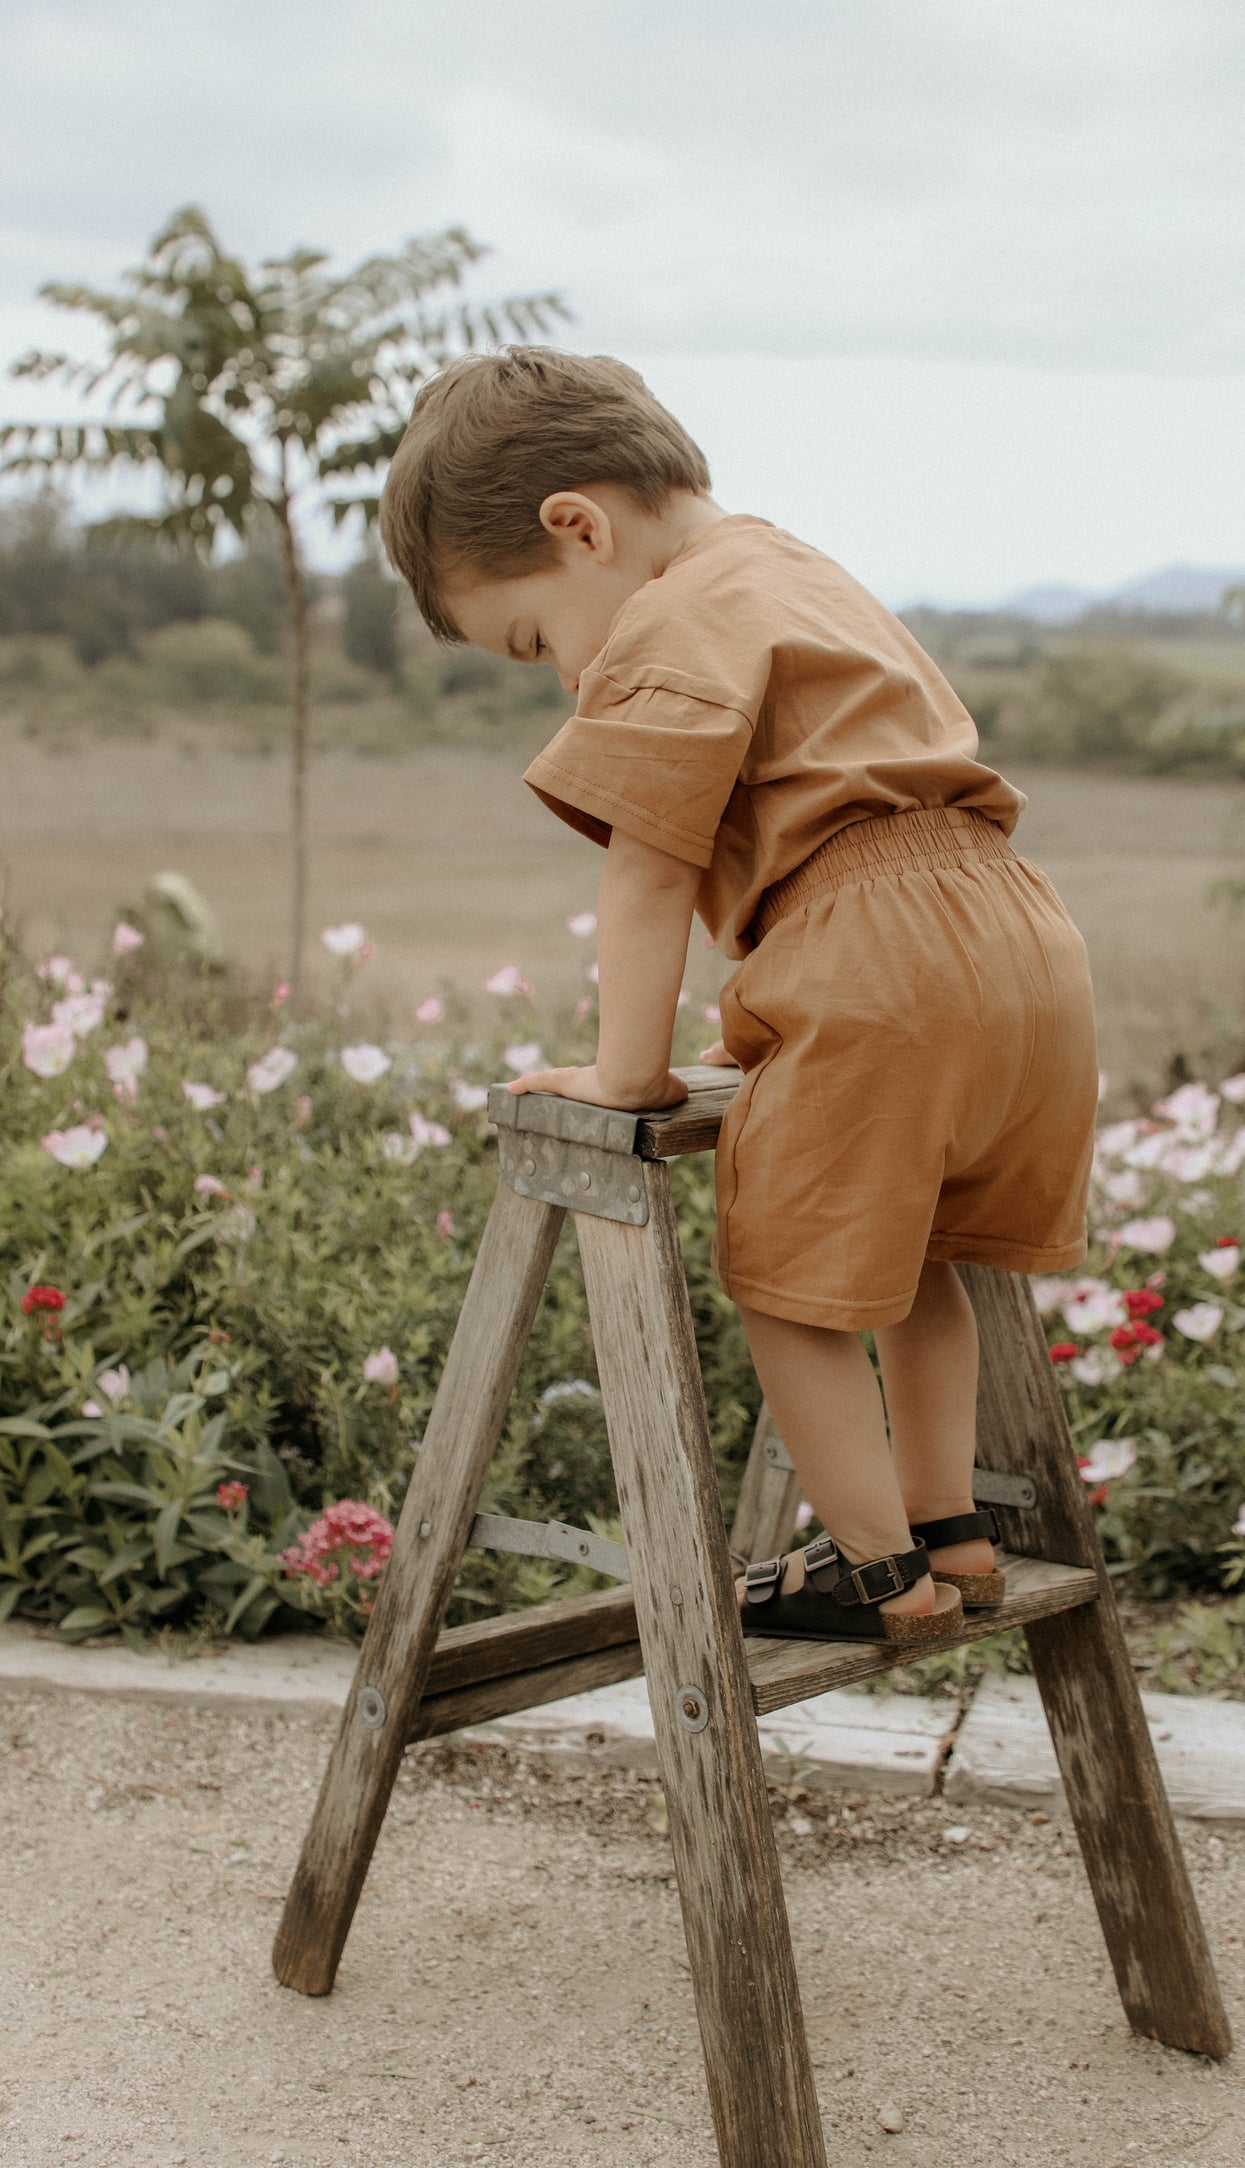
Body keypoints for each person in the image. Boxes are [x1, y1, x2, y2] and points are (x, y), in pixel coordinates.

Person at [379, 347, 1098, 1646]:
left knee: (789, 1285)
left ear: (578, 527)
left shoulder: (665, 618)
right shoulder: (802, 570)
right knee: (917, 1250)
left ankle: (877, 1577)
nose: (558, 672)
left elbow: (651, 869)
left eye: (535, 636)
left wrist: (627, 1074)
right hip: (1018, 934)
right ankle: (952, 1532)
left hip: (876, 953)